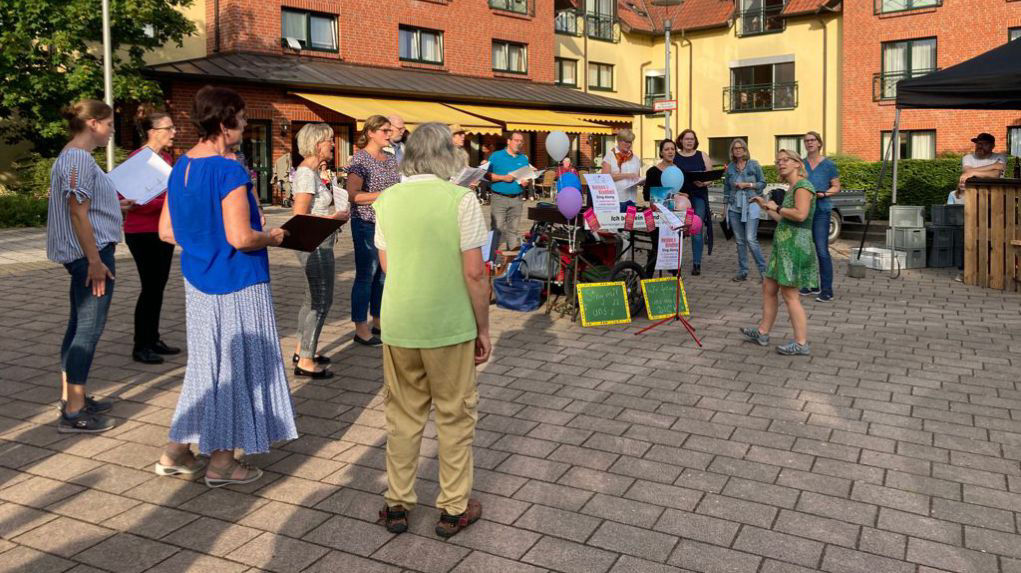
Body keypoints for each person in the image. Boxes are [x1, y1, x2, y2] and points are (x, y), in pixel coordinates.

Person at [156, 86, 296, 486]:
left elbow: (167, 231)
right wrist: (272, 236)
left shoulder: (181, 166)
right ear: (224, 123)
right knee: (240, 368)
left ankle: (176, 451)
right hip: (238, 281)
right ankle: (221, 463)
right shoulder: (228, 170)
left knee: (208, 367)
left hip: (199, 281)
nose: (246, 123)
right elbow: (241, 237)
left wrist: (204, 243)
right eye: (241, 117)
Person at [373, 122, 490, 539]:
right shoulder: (461, 199)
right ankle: (453, 508)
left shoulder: (387, 199)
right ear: (447, 156)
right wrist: (484, 328)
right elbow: (475, 273)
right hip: (448, 322)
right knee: (455, 417)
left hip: (400, 322)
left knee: (402, 417)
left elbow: (387, 264)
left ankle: (397, 502)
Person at [46, 100, 133, 433]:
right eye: (110, 124)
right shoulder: (78, 158)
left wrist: (116, 205)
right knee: (88, 329)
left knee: (77, 326)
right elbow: (76, 212)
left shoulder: (74, 157)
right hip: (90, 256)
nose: (112, 131)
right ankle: (75, 410)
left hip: (87, 253)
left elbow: (85, 207)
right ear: (94, 123)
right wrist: (95, 262)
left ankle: (72, 396)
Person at [742, 149, 818, 356]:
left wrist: (776, 206)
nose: (780, 164)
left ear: (797, 163)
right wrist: (766, 206)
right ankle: (762, 332)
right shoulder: (793, 187)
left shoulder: (803, 186)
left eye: (785, 160)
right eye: (778, 161)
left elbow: (800, 215)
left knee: (790, 294)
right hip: (784, 245)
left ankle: (801, 343)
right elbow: (783, 219)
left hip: (795, 246)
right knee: (768, 287)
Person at [291, 123, 349, 378]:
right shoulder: (305, 174)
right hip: (314, 243)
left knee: (310, 298)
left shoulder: (312, 172)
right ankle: (305, 360)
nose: (333, 145)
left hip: (319, 241)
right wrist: (335, 217)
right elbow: (299, 217)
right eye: (329, 141)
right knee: (321, 300)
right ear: (317, 145)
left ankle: (302, 349)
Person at [124, 111, 181, 365]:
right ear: (153, 132)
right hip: (141, 232)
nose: (174, 132)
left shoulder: (166, 158)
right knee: (150, 288)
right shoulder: (138, 159)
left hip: (161, 230)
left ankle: (153, 338)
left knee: (158, 287)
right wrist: (170, 199)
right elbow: (127, 199)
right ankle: (140, 345)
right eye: (169, 128)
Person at [347, 115, 401, 346]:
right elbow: (353, 195)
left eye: (390, 130)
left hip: (388, 223)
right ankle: (360, 327)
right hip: (366, 223)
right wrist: (385, 195)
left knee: (383, 275)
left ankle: (378, 320)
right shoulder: (360, 160)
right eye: (384, 130)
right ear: (370, 132)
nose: (389, 134)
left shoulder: (390, 158)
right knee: (366, 275)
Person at [801, 131, 840, 302]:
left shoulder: (828, 165)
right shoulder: (801, 164)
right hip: (803, 211)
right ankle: (810, 284)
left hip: (821, 211)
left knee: (822, 251)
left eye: (812, 140)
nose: (809, 143)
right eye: (806, 141)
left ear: (819, 143)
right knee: (805, 249)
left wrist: (824, 194)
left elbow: (836, 187)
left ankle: (827, 290)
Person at [723, 138, 767, 282]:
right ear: (732, 151)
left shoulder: (753, 164)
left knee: (750, 239)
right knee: (740, 241)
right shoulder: (730, 167)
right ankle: (743, 271)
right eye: (735, 148)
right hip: (734, 207)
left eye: (740, 148)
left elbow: (762, 183)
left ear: (745, 149)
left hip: (752, 204)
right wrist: (725, 209)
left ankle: (764, 273)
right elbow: (727, 189)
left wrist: (747, 184)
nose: (738, 150)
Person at [674, 129, 713, 275]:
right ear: (681, 141)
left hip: (699, 196)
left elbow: (710, 176)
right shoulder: (675, 156)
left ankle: (696, 264)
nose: (689, 141)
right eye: (686, 139)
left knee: (696, 228)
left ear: (695, 141)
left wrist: (704, 183)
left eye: (692, 139)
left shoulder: (702, 155)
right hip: (680, 197)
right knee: (677, 229)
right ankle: (674, 262)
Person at [486, 131, 530, 250]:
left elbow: (525, 177)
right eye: (516, 140)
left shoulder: (523, 159)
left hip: (517, 198)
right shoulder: (496, 156)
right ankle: (492, 261)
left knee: (513, 230)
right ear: (508, 141)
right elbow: (486, 175)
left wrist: (525, 182)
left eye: (521, 141)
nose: (519, 143)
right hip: (499, 198)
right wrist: (503, 178)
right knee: (497, 229)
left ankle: (510, 261)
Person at [643, 139, 677, 273]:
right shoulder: (652, 171)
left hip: (674, 216)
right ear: (661, 152)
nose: (670, 151)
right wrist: (667, 193)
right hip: (655, 216)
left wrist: (683, 195)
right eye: (667, 149)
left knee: (673, 249)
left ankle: (674, 286)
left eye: (672, 149)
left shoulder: (679, 171)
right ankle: (647, 281)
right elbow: (646, 195)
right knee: (656, 249)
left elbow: (686, 192)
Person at [601, 128, 642, 207]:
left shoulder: (635, 158)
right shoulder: (610, 156)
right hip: (615, 200)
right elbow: (604, 178)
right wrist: (627, 175)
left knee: (630, 220)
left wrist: (641, 181)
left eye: (630, 142)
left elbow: (637, 177)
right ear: (619, 141)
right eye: (626, 141)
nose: (628, 144)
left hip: (632, 200)